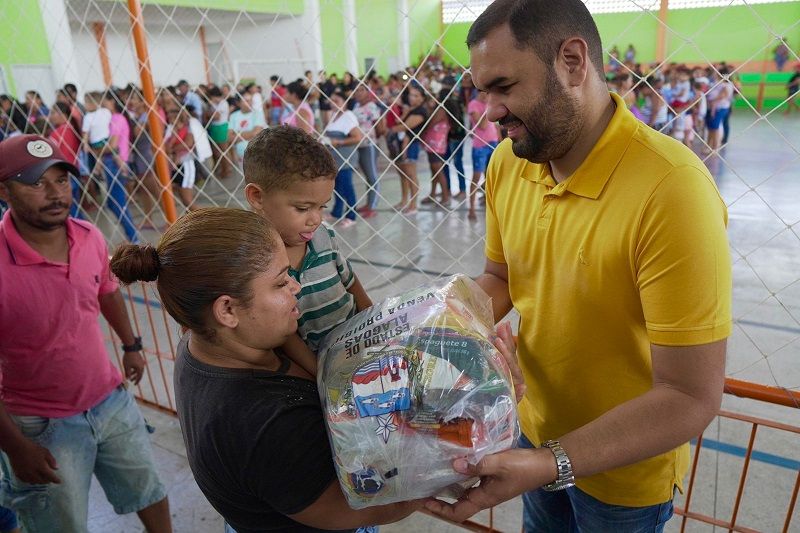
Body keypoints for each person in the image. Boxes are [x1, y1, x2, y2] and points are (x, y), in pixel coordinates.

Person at [425, 1, 731, 531]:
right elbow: (501, 278)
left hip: (623, 475)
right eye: (483, 92)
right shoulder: (509, 162)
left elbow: (689, 395)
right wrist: (435, 328)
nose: (489, 111)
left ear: (571, 61)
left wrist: (551, 463)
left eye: (503, 86)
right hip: (533, 435)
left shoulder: (671, 190)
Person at [110, 207, 417, 532]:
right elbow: (366, 506)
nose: (296, 287)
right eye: (281, 282)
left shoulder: (204, 340)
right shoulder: (268, 425)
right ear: (227, 310)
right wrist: (442, 466)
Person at [0, 135, 172, 533]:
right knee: (58, 522)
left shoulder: (88, 236)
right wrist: (16, 446)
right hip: (39, 424)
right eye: (36, 183)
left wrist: (131, 345)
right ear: (4, 192)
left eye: (62, 180)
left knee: (149, 491)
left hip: (110, 400)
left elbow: (106, 290)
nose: (55, 193)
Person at [242, 126, 372, 355]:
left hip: (358, 345)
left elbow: (351, 283)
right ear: (257, 196)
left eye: (322, 207)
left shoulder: (324, 236)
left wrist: (375, 322)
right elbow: (284, 335)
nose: (316, 219)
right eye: (303, 208)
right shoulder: (254, 261)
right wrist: (317, 370)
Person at [390, 85, 428, 214]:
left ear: (422, 98)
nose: (412, 98)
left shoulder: (420, 111)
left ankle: (413, 205)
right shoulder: (410, 109)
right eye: (411, 95)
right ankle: (404, 200)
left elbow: (404, 126)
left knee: (411, 175)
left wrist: (390, 130)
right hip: (400, 143)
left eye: (416, 96)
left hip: (411, 145)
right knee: (403, 174)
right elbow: (398, 122)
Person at [466, 90, 500, 221]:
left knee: (491, 176)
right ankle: (471, 208)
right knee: (476, 177)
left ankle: (489, 202)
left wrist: (501, 141)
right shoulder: (473, 105)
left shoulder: (489, 103)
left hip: (493, 143)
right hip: (480, 146)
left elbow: (495, 126)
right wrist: (489, 107)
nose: (487, 95)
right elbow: (483, 125)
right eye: (484, 92)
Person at [352, 84, 384, 218]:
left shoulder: (372, 106)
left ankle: (372, 206)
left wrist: (371, 137)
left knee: (372, 175)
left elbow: (379, 126)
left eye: (361, 90)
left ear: (367, 92)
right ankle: (368, 203)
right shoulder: (356, 106)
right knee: (366, 175)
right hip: (358, 145)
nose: (358, 93)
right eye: (356, 90)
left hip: (369, 145)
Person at [228, 92, 266, 165]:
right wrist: (251, 133)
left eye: (251, 100)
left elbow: (256, 134)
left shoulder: (257, 114)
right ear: (238, 103)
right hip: (240, 157)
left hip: (257, 155)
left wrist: (236, 134)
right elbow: (229, 137)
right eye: (246, 101)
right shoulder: (233, 116)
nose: (250, 103)